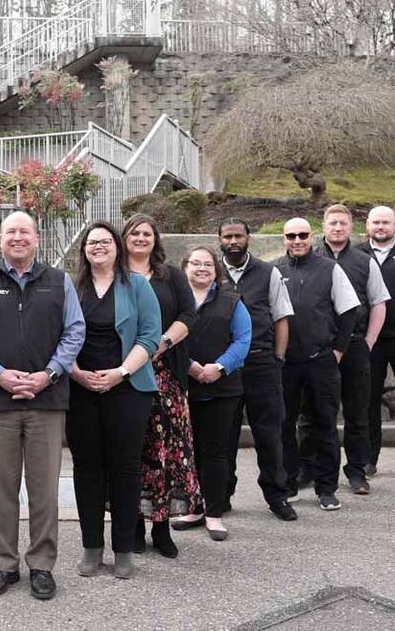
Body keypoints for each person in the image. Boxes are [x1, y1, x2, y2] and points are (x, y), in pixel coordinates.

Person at [0, 211, 85, 601]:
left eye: (24, 231)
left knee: (44, 489)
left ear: (37, 238)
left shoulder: (59, 282)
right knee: (1, 488)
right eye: (10, 231)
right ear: (1, 239)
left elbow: (74, 331)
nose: (17, 237)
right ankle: (4, 563)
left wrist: (49, 374)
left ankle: (42, 565)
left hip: (47, 401)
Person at [68, 221, 160, 579]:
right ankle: (92, 547)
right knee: (86, 468)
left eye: (106, 241)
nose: (99, 247)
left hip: (128, 389)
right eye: (92, 242)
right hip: (81, 389)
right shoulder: (71, 287)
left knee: (125, 468)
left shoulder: (137, 285)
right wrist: (76, 372)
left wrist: (120, 372)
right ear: (84, 249)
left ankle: (123, 549)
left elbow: (149, 337)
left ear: (117, 247)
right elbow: (58, 336)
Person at [122, 214, 200, 559]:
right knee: (133, 450)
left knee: (166, 453)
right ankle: (134, 525)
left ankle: (161, 526)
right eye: (134, 233)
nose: (140, 238)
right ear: (124, 238)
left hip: (166, 374)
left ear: (155, 240)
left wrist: (161, 343)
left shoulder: (171, 276)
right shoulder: (115, 275)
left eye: (147, 234)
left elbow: (188, 315)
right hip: (126, 376)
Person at [297, 205, 389, 495]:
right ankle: (307, 468)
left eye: (343, 223)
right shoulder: (311, 258)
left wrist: (369, 342)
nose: (338, 228)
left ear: (352, 227)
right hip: (319, 348)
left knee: (357, 411)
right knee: (309, 412)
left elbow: (378, 303)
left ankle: (357, 471)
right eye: (332, 223)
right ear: (323, 226)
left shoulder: (365, 261)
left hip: (355, 345)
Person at [274, 217, 360, 511]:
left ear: (312, 236)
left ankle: (327, 488)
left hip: (321, 360)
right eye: (291, 236)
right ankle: (287, 485)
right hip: (285, 363)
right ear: (283, 238)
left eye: (302, 235)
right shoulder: (273, 270)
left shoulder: (330, 268)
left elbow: (349, 312)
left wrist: (337, 351)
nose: (297, 240)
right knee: (284, 425)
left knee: (325, 424)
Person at [218, 218, 297, 521]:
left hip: (261, 363)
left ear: (248, 238)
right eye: (227, 236)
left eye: (238, 236)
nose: (233, 241)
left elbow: (281, 317)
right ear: (220, 239)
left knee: (269, 434)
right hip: (223, 366)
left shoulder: (268, 272)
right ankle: (220, 496)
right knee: (223, 436)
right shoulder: (211, 271)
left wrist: (278, 358)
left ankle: (277, 495)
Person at [179, 246, 251, 541]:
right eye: (195, 263)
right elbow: (162, 336)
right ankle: (194, 508)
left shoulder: (232, 300)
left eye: (207, 264)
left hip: (223, 389)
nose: (202, 268)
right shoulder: (176, 300)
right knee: (189, 452)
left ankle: (214, 513)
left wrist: (219, 367)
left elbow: (243, 339)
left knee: (216, 452)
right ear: (185, 267)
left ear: (216, 269)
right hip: (183, 386)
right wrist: (191, 367)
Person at [357, 205, 395, 476]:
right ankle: (369, 459)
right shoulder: (357, 254)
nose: (380, 227)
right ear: (367, 225)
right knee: (368, 399)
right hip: (370, 339)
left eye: (385, 222)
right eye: (376, 222)